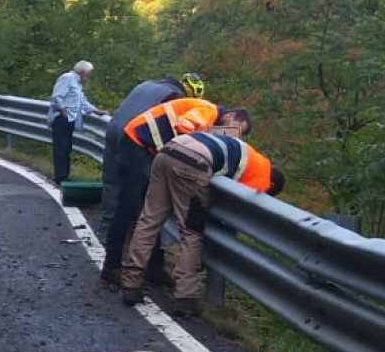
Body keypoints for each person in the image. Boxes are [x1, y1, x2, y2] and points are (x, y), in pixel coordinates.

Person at [120, 123, 284, 317]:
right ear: (272, 184)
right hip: (193, 163)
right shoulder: (263, 176)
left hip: (168, 151)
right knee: (191, 231)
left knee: (149, 220)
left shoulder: (251, 155)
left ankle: (131, 284)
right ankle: (185, 297)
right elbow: (241, 205)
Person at [98, 92, 233, 287]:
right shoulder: (208, 111)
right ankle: (111, 267)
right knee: (129, 207)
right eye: (231, 127)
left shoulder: (207, 112)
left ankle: (154, 267)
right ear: (230, 117)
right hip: (137, 145)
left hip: (143, 147)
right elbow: (185, 126)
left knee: (151, 209)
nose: (225, 132)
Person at [100, 73, 204, 223]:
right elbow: (169, 129)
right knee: (136, 186)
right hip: (133, 136)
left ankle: (106, 226)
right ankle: (131, 229)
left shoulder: (146, 84)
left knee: (112, 180)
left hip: (113, 128)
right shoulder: (175, 96)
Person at [47, 60, 107, 185]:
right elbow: (57, 96)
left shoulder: (77, 83)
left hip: (70, 119)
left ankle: (64, 176)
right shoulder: (67, 78)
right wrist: (63, 109)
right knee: (61, 148)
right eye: (88, 73)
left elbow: (82, 102)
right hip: (61, 118)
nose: (89, 76)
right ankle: (60, 177)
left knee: (66, 148)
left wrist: (96, 111)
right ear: (83, 72)